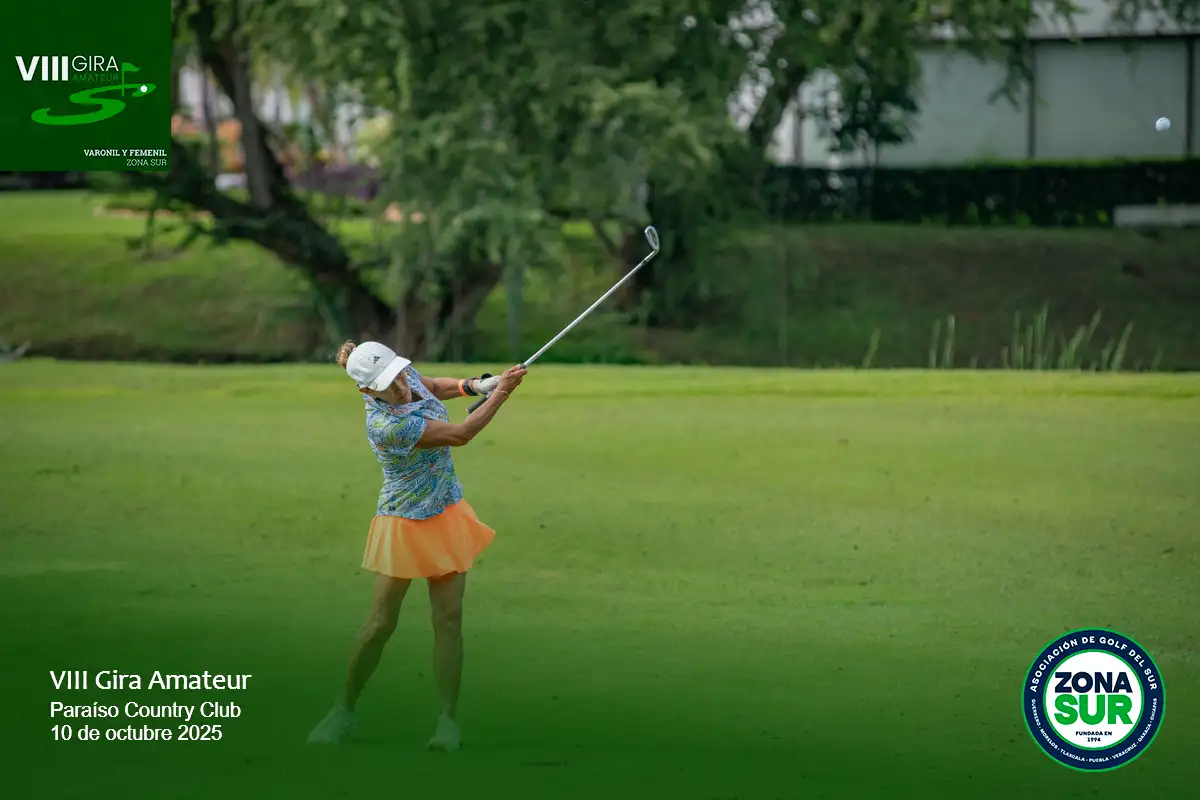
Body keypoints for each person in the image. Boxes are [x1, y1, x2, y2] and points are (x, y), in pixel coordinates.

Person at [307, 340, 526, 751]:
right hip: (404, 522)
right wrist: (501, 393)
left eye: (398, 376)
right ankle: (343, 711)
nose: (401, 387)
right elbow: (460, 434)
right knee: (380, 624)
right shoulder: (385, 426)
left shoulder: (403, 376)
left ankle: (447, 722)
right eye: (387, 385)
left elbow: (433, 385)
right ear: (366, 391)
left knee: (449, 620)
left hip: (446, 512)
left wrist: (476, 386)